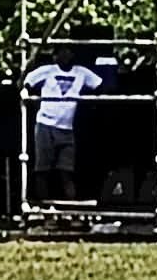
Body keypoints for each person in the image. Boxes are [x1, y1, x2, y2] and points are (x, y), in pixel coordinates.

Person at [22, 45, 105, 203]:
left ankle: (71, 208)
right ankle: (45, 208)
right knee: (42, 170)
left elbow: (100, 85)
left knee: (66, 171)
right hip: (45, 125)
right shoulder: (48, 70)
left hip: (67, 128)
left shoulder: (81, 72)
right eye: (62, 52)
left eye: (69, 51)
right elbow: (27, 83)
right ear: (55, 55)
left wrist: (92, 103)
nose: (66, 55)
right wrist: (28, 97)